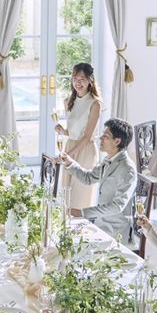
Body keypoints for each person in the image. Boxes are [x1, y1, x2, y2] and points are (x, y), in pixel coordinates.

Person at [60, 118, 137, 242]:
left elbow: (117, 207)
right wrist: (70, 163)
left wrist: (82, 213)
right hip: (100, 223)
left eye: (105, 136)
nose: (100, 138)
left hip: (116, 230)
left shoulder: (127, 169)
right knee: (65, 233)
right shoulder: (108, 159)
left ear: (117, 141)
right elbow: (89, 178)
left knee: (70, 239)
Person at [55, 63, 102, 210]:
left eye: (82, 79)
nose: (78, 83)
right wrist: (63, 131)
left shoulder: (95, 104)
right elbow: (74, 131)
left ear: (90, 80)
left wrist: (67, 155)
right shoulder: (69, 102)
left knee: (80, 197)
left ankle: (80, 224)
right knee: (66, 192)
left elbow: (86, 137)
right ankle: (65, 222)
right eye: (75, 78)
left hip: (86, 150)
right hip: (71, 145)